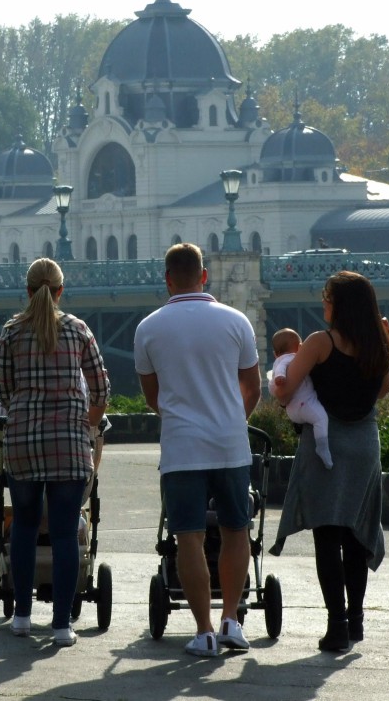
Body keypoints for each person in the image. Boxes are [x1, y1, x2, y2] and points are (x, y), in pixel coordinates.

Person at [133, 242, 261, 657]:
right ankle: (231, 620)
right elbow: (253, 386)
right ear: (204, 275)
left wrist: (183, 415)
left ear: (167, 279)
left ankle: (203, 630)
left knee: (186, 537)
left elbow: (154, 397)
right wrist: (229, 418)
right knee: (235, 531)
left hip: (181, 446)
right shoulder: (236, 320)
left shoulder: (148, 328)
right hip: (230, 443)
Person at [270, 270, 389, 654]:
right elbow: (384, 388)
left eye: (327, 297)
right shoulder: (379, 342)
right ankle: (355, 622)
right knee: (358, 534)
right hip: (365, 444)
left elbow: (286, 390)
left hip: (329, 445)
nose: (323, 303)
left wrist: (280, 380)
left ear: (338, 304)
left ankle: (336, 626)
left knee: (327, 536)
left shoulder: (320, 342)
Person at [0, 258, 110, 646]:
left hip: (24, 443)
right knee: (64, 533)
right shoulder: (79, 330)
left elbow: (3, 391)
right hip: (70, 445)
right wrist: (89, 422)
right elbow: (101, 386)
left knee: (25, 528)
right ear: (61, 291)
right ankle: (62, 624)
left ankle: (22, 617)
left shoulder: (11, 332)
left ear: (27, 290)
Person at [268, 327, 332, 469]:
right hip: (305, 404)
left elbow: (278, 372)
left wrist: (276, 381)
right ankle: (322, 447)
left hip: (293, 410)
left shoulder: (278, 361)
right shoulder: (292, 358)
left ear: (274, 353)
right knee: (321, 419)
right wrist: (280, 377)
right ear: (300, 347)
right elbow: (282, 369)